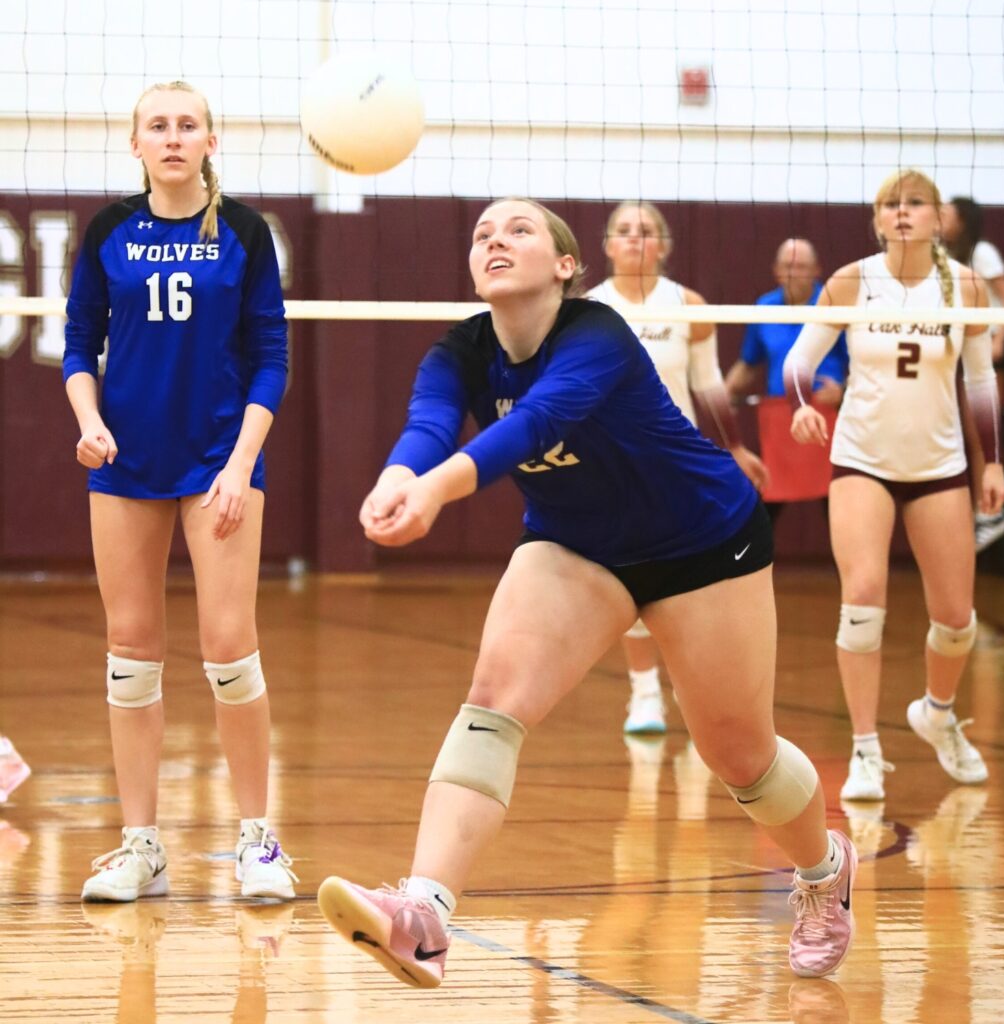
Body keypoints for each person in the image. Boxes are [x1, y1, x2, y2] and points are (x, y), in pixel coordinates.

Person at [317, 197, 856, 987]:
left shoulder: (596, 332)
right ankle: (425, 914)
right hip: (579, 546)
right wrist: (402, 477)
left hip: (703, 543)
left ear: (568, 266)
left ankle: (823, 869)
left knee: (743, 760)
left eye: (519, 229)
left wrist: (436, 492)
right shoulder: (459, 351)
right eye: (481, 234)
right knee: (493, 699)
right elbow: (429, 423)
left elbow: (535, 423)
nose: (495, 239)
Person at [63, 81, 296, 902]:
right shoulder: (107, 231)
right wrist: (88, 420)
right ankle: (141, 847)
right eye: (156, 126)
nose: (171, 137)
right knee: (130, 654)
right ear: (135, 145)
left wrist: (239, 465)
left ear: (210, 141)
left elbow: (272, 351)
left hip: (217, 462)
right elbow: (77, 343)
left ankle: (258, 843)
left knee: (230, 650)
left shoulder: (242, 231)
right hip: (126, 461)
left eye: (186, 125)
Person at [784, 169, 1004, 802]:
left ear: (939, 219)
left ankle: (937, 713)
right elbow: (799, 361)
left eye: (916, 203)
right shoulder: (853, 280)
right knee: (862, 598)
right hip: (862, 462)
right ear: (878, 219)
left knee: (957, 622)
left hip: (939, 468)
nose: (904, 212)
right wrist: (803, 402)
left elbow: (980, 382)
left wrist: (991, 463)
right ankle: (864, 750)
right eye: (892, 203)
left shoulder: (963, 285)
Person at [587, 201, 767, 734]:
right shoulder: (588, 310)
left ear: (663, 246)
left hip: (677, 464)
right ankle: (644, 694)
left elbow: (708, 384)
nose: (634, 239)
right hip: (612, 464)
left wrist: (733, 445)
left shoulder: (688, 305)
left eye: (645, 232)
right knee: (630, 581)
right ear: (607, 246)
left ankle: (692, 692)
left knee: (686, 587)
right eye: (623, 231)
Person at [726, 238, 848, 519]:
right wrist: (723, 394)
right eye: (788, 266)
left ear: (816, 269)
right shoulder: (765, 307)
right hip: (783, 418)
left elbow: (861, 363)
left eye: (802, 266)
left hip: (827, 416)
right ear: (777, 271)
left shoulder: (832, 304)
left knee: (837, 504)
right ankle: (750, 561)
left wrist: (844, 390)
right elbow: (749, 363)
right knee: (765, 504)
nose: (794, 273)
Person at [940, 196, 1004, 552]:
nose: (940, 218)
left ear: (963, 220)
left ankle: (991, 514)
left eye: (946, 214)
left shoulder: (982, 251)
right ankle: (982, 513)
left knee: (981, 430)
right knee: (967, 433)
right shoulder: (947, 256)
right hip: (965, 347)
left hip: (990, 347)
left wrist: (1001, 338)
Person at [0, 735, 31, 803]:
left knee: (25, 770)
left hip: (4, 769)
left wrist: (5, 762)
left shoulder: (4, 743)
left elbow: (18, 760)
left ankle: (2, 792)